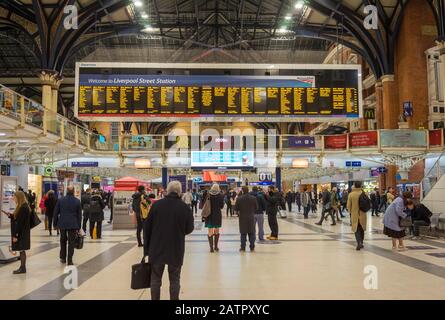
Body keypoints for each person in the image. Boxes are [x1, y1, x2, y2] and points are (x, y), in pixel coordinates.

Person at [143, 181, 194, 300]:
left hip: (156, 247)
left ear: (168, 190)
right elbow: (189, 228)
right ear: (179, 192)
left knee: (155, 279)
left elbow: (147, 228)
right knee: (175, 279)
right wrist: (180, 232)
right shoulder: (184, 208)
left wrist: (147, 249)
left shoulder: (156, 205)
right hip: (176, 248)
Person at [2, 191, 31, 274]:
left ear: (19, 197)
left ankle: (23, 268)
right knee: (22, 250)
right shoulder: (23, 206)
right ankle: (22, 267)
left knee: (22, 250)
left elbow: (19, 223)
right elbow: (18, 219)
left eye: (14, 197)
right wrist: (11, 216)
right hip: (23, 232)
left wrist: (15, 235)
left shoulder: (23, 208)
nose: (13, 199)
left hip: (21, 233)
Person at [53, 186, 82, 265]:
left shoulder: (61, 200)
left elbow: (55, 213)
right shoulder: (77, 201)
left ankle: (63, 258)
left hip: (62, 223)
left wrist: (55, 224)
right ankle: (70, 260)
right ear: (73, 191)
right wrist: (79, 226)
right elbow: (79, 215)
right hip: (73, 224)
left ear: (66, 191)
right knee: (71, 242)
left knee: (62, 240)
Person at [235, 186, 258, 252]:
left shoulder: (239, 198)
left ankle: (243, 247)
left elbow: (236, 209)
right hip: (251, 217)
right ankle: (252, 247)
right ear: (248, 190)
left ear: (242, 191)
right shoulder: (253, 198)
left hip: (242, 218)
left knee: (243, 233)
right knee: (252, 233)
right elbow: (256, 208)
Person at [347, 181, 368, 251]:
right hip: (363, 214)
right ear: (361, 185)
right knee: (362, 228)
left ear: (354, 186)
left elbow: (348, 206)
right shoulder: (364, 193)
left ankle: (358, 242)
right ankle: (361, 242)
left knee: (356, 229)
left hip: (354, 214)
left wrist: (350, 212)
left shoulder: (351, 194)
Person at [204, 184, 224, 252]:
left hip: (209, 215)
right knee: (216, 230)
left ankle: (211, 248)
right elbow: (221, 206)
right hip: (217, 215)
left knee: (210, 231)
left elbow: (205, 204)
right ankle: (216, 247)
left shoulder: (208, 195)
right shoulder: (220, 196)